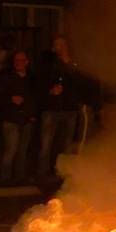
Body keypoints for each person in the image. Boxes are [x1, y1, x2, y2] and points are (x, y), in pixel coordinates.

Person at [34, 35, 85, 179]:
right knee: (46, 144)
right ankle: (43, 173)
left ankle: (63, 173)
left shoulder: (73, 63)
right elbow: (39, 83)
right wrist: (50, 90)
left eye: (62, 45)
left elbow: (79, 82)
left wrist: (68, 63)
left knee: (66, 144)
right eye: (56, 45)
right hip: (51, 109)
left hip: (69, 109)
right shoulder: (47, 63)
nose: (59, 48)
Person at [0, 50, 36, 186]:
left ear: (26, 62)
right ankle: (5, 178)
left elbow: (35, 97)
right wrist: (10, 99)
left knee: (22, 151)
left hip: (26, 119)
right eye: (16, 60)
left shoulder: (31, 79)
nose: (18, 63)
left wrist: (32, 114)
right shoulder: (5, 78)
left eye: (21, 60)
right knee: (10, 150)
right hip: (11, 118)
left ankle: (20, 177)